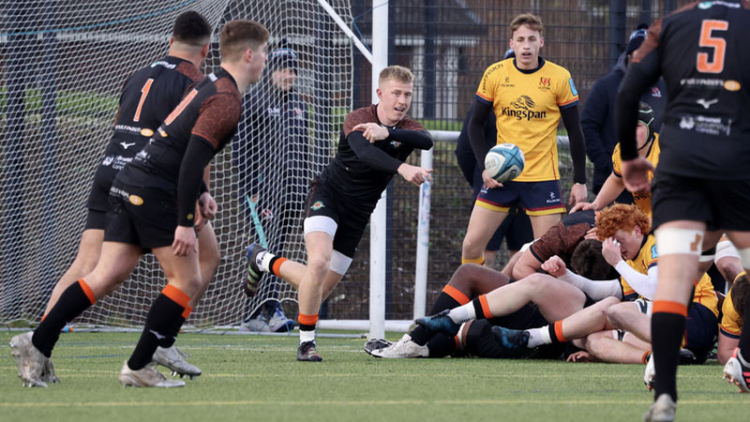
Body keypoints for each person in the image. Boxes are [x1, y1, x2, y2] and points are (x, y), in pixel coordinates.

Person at [10, 20, 270, 388]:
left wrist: (203, 194)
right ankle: (141, 362)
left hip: (127, 179)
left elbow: (180, 143)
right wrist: (184, 220)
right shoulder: (225, 99)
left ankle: (38, 342)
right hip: (153, 187)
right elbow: (192, 159)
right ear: (249, 55)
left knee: (106, 272)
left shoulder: (211, 83)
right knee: (188, 277)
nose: (265, 60)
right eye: (264, 53)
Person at [615, 2, 750, 418]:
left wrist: (630, 159)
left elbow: (627, 91)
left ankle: (665, 398)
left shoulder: (670, 25)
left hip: (680, 167)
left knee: (675, 279)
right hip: (736, 164)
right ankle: (746, 359)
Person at [246, 65, 433, 361]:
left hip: (358, 215)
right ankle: (306, 344)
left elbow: (427, 140)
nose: (402, 100)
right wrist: (402, 166)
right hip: (328, 196)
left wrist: (388, 132)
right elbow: (365, 153)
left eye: (408, 94)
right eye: (396, 93)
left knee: (315, 288)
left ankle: (262, 259)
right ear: (380, 93)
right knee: (318, 263)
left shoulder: (407, 128)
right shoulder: (357, 119)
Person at [461, 13, 588, 268]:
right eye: (520, 40)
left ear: (542, 42)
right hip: (502, 177)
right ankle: (472, 303)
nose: (526, 45)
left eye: (532, 39)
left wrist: (580, 181)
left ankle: (533, 307)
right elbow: (474, 126)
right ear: (512, 44)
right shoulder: (495, 74)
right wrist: (485, 166)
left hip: (542, 178)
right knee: (471, 246)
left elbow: (576, 132)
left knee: (549, 256)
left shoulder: (559, 77)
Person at [236, 43, 309, 332]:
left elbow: (303, 149)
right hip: (264, 193)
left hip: (292, 191)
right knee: (270, 249)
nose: (289, 75)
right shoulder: (254, 101)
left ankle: (254, 315)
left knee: (275, 249)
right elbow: (243, 150)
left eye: (293, 70)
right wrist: (253, 187)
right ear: (271, 72)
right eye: (283, 69)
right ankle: (270, 309)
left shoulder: (298, 105)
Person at [455, 48, 533, 271]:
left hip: (524, 189)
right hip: (501, 188)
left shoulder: (535, 104)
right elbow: (465, 150)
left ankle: (504, 304)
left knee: (523, 255)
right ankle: (485, 304)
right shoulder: (488, 104)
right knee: (487, 254)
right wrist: (484, 176)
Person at [581, 25, 666, 199]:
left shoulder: (665, 87)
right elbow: (588, 125)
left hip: (653, 185)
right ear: (629, 56)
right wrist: (607, 164)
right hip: (613, 180)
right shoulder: (606, 86)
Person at [572, 102, 659, 218]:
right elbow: (617, 180)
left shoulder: (665, 152)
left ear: (650, 128)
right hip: (645, 221)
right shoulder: (621, 151)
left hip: (673, 223)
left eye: (636, 126)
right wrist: (595, 204)